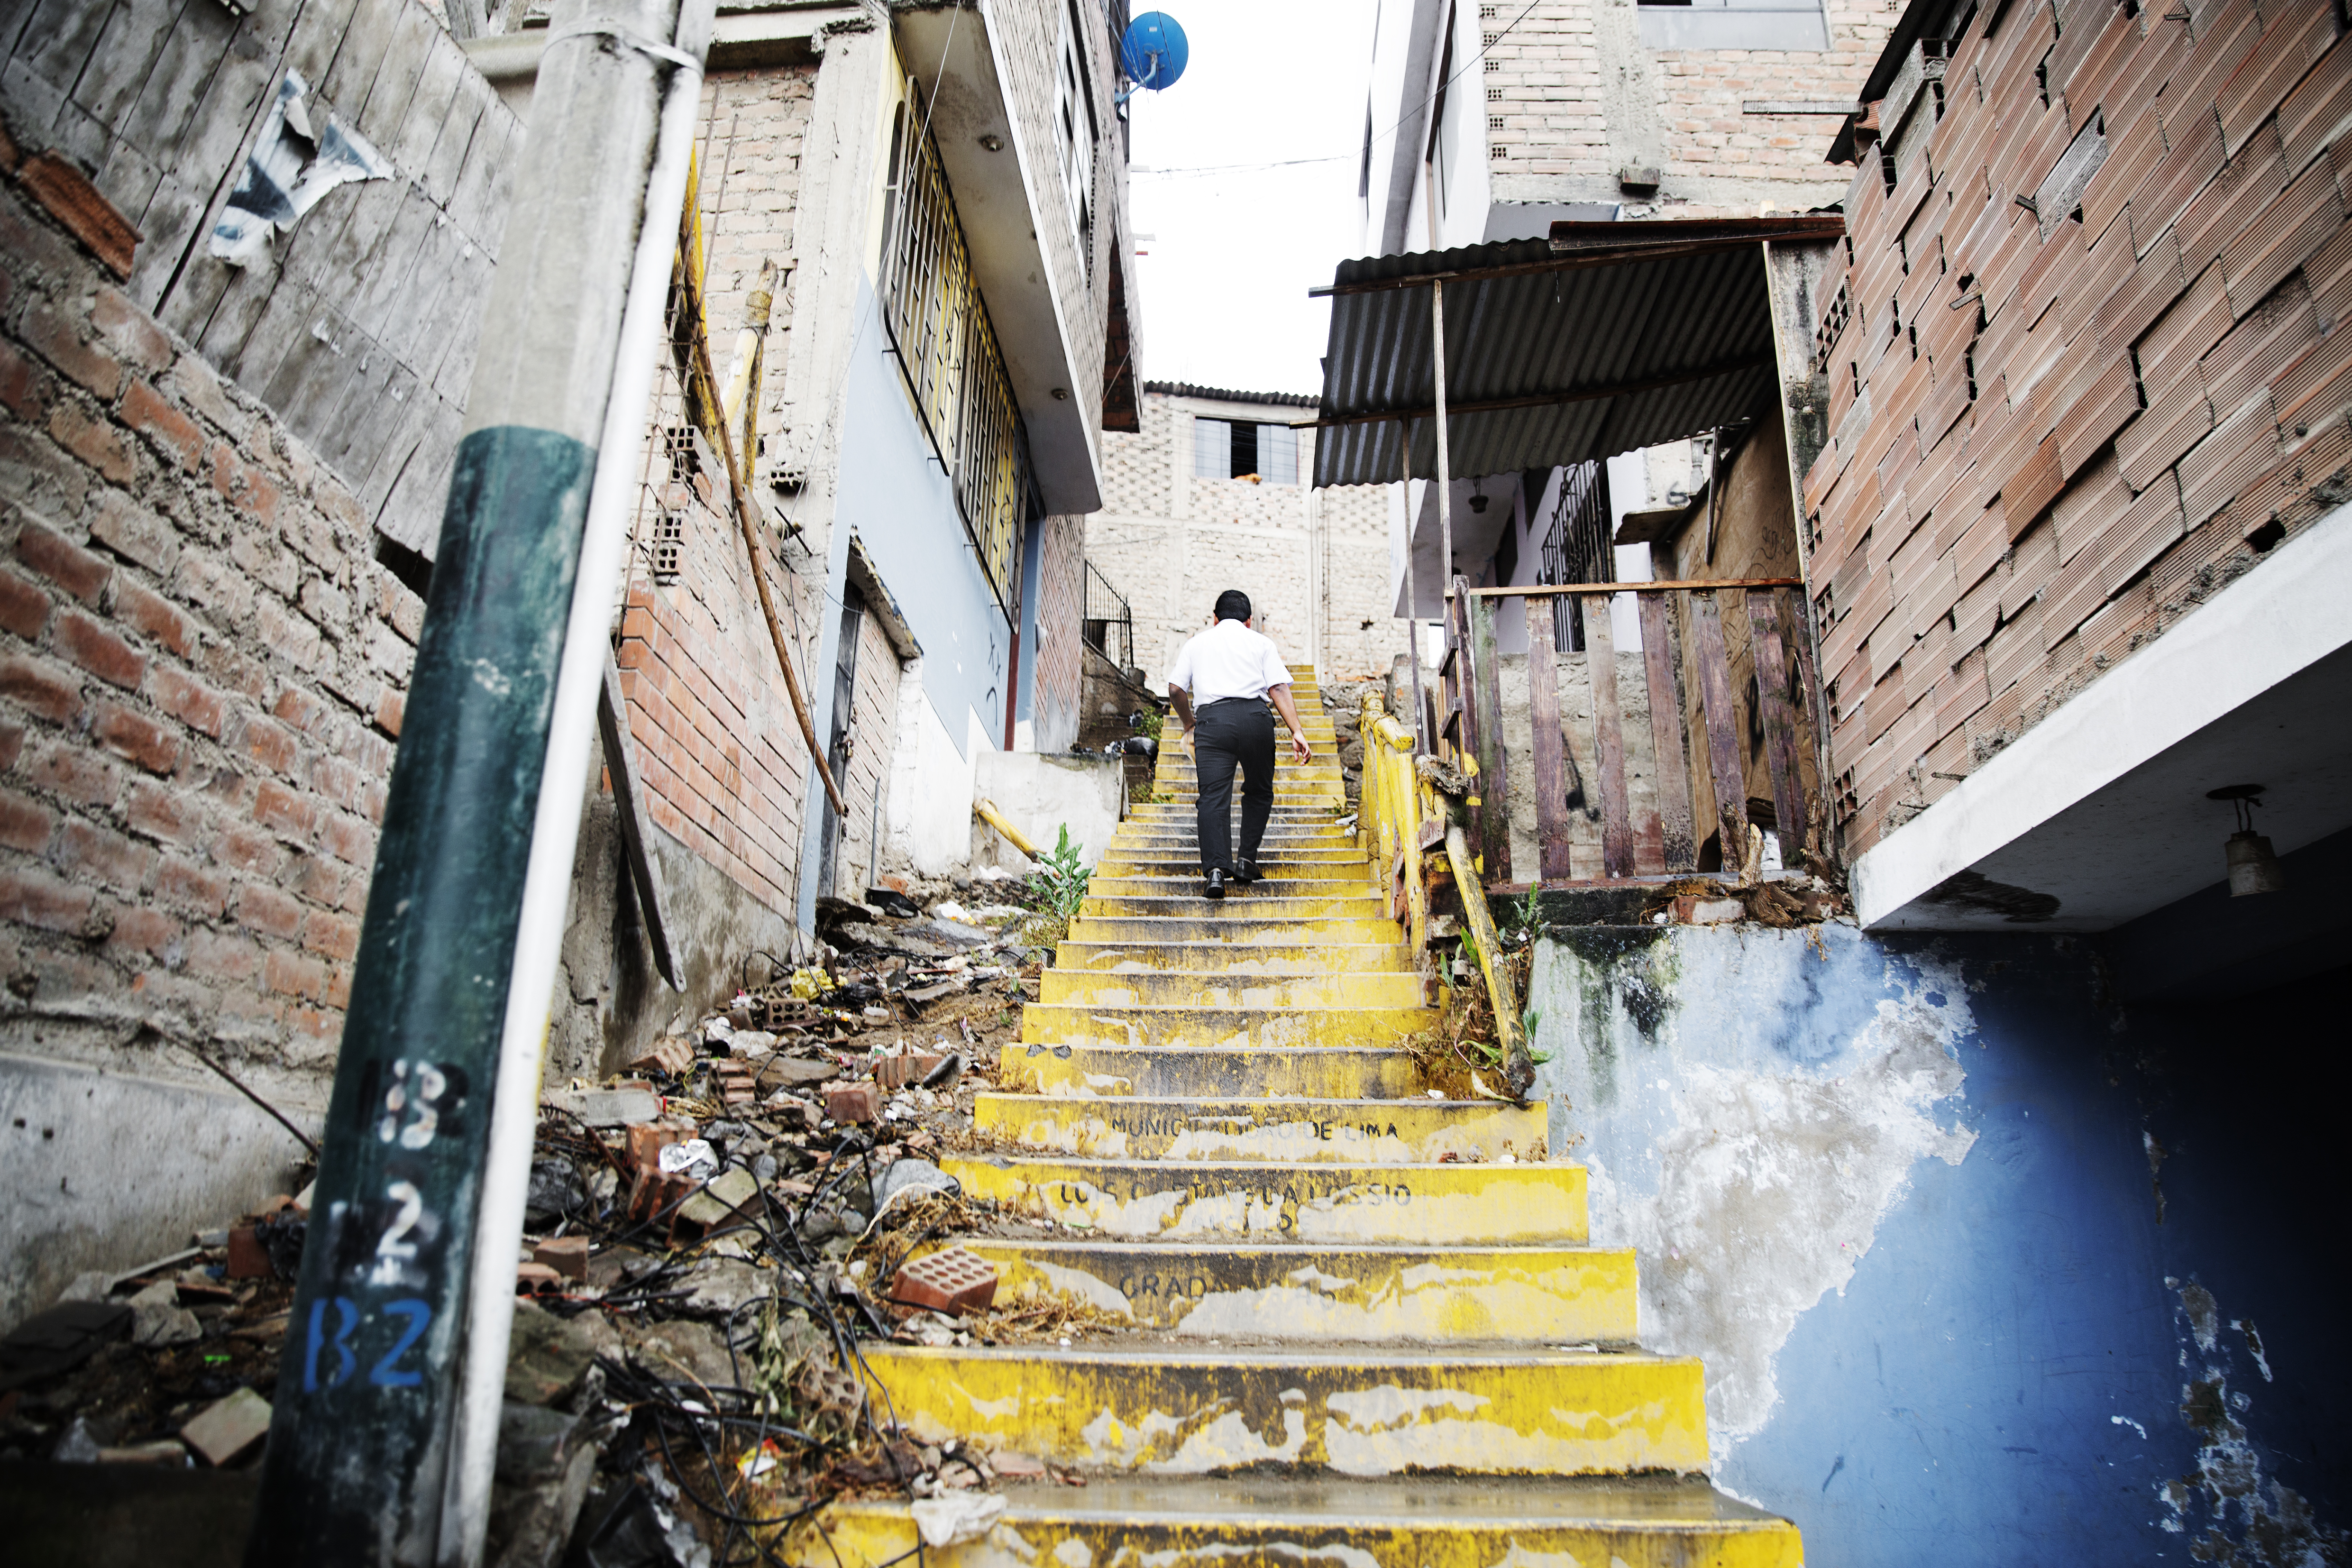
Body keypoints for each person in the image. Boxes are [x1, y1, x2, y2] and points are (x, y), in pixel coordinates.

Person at [1165, 590, 1312, 899]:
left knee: (1212, 798)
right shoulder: (1261, 643)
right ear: (1248, 621)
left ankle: (1216, 871)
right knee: (1259, 791)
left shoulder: (1196, 643)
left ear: (1215, 618)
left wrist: (1189, 723)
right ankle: (1246, 860)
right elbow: (1277, 686)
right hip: (1255, 721)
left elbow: (1176, 688)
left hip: (1212, 724)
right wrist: (1296, 731)